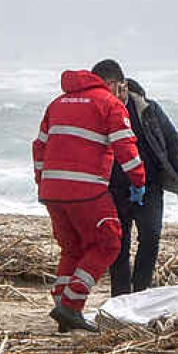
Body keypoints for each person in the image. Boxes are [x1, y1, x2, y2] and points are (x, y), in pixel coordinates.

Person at [33, 59, 146, 333]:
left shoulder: (58, 103)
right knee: (108, 243)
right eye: (121, 87)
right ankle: (71, 305)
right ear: (112, 83)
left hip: (52, 190)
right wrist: (139, 180)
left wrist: (42, 181)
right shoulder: (109, 103)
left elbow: (39, 147)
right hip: (86, 189)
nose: (123, 94)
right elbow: (125, 147)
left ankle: (63, 305)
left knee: (73, 248)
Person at [107, 77, 178, 295]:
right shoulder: (102, 110)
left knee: (151, 236)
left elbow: (172, 141)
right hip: (114, 187)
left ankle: (141, 291)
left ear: (123, 85)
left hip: (150, 185)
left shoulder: (148, 109)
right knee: (119, 243)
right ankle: (119, 295)